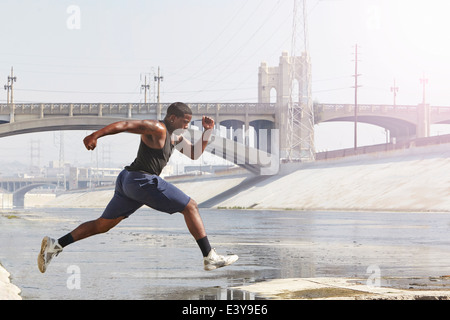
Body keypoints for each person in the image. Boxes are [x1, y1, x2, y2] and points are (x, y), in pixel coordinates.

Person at [38, 102, 238, 273]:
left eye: (188, 122)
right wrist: (95, 135)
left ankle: (55, 245)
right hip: (141, 180)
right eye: (184, 122)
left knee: (102, 225)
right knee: (191, 206)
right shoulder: (157, 128)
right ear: (172, 118)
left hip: (127, 181)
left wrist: (207, 132)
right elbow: (126, 124)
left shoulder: (175, 137)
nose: (186, 126)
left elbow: (194, 154)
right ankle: (209, 256)